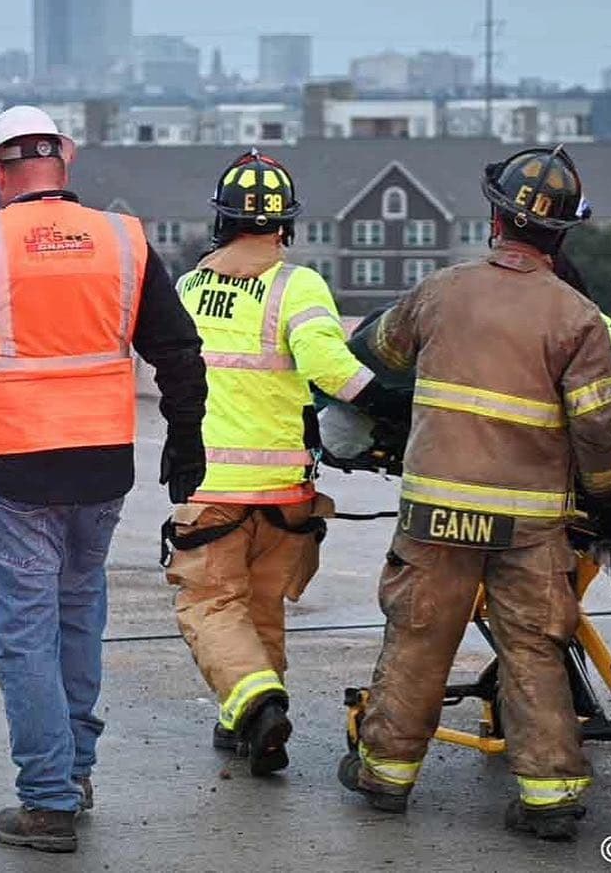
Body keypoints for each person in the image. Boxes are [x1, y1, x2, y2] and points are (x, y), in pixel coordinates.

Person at [0, 105, 207, 853]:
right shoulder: (124, 240)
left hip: (16, 469)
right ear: (68, 158)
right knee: (77, 616)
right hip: (102, 466)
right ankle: (76, 773)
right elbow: (177, 347)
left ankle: (48, 800)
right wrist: (187, 435)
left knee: (27, 633)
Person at [338, 145, 611, 842]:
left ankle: (385, 775)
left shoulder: (444, 290)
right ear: (562, 234)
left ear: (497, 218)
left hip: (437, 510)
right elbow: (598, 426)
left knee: (418, 635)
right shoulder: (579, 316)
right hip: (529, 522)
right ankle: (550, 794)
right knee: (533, 645)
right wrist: (605, 492)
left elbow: (376, 349)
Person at [164, 149, 383, 777]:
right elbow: (332, 370)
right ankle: (252, 722)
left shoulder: (191, 284)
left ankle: (257, 702)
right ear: (285, 223)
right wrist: (393, 398)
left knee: (209, 603)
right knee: (262, 607)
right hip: (286, 489)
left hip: (212, 486)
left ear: (222, 220)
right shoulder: (296, 284)